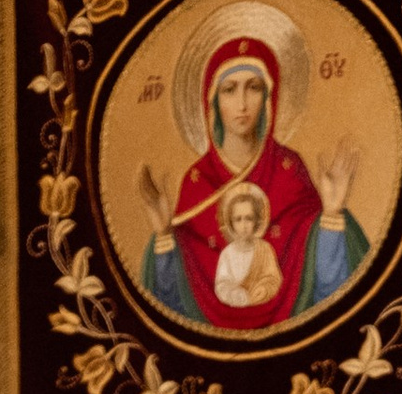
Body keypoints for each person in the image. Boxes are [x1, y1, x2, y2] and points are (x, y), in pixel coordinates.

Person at [138, 32, 368, 337]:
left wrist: (332, 216)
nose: (243, 104)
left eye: (254, 88)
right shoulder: (198, 181)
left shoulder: (289, 169)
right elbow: (173, 306)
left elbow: (327, 293)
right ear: (212, 100)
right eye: (229, 90)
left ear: (270, 99)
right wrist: (164, 235)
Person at [212, 175, 287, 312]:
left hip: (264, 309)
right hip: (234, 310)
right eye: (238, 219)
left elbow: (273, 279)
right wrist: (236, 295)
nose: (244, 225)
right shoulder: (227, 254)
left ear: (257, 220)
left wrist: (264, 289)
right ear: (230, 223)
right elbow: (221, 284)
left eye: (249, 218)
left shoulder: (265, 249)